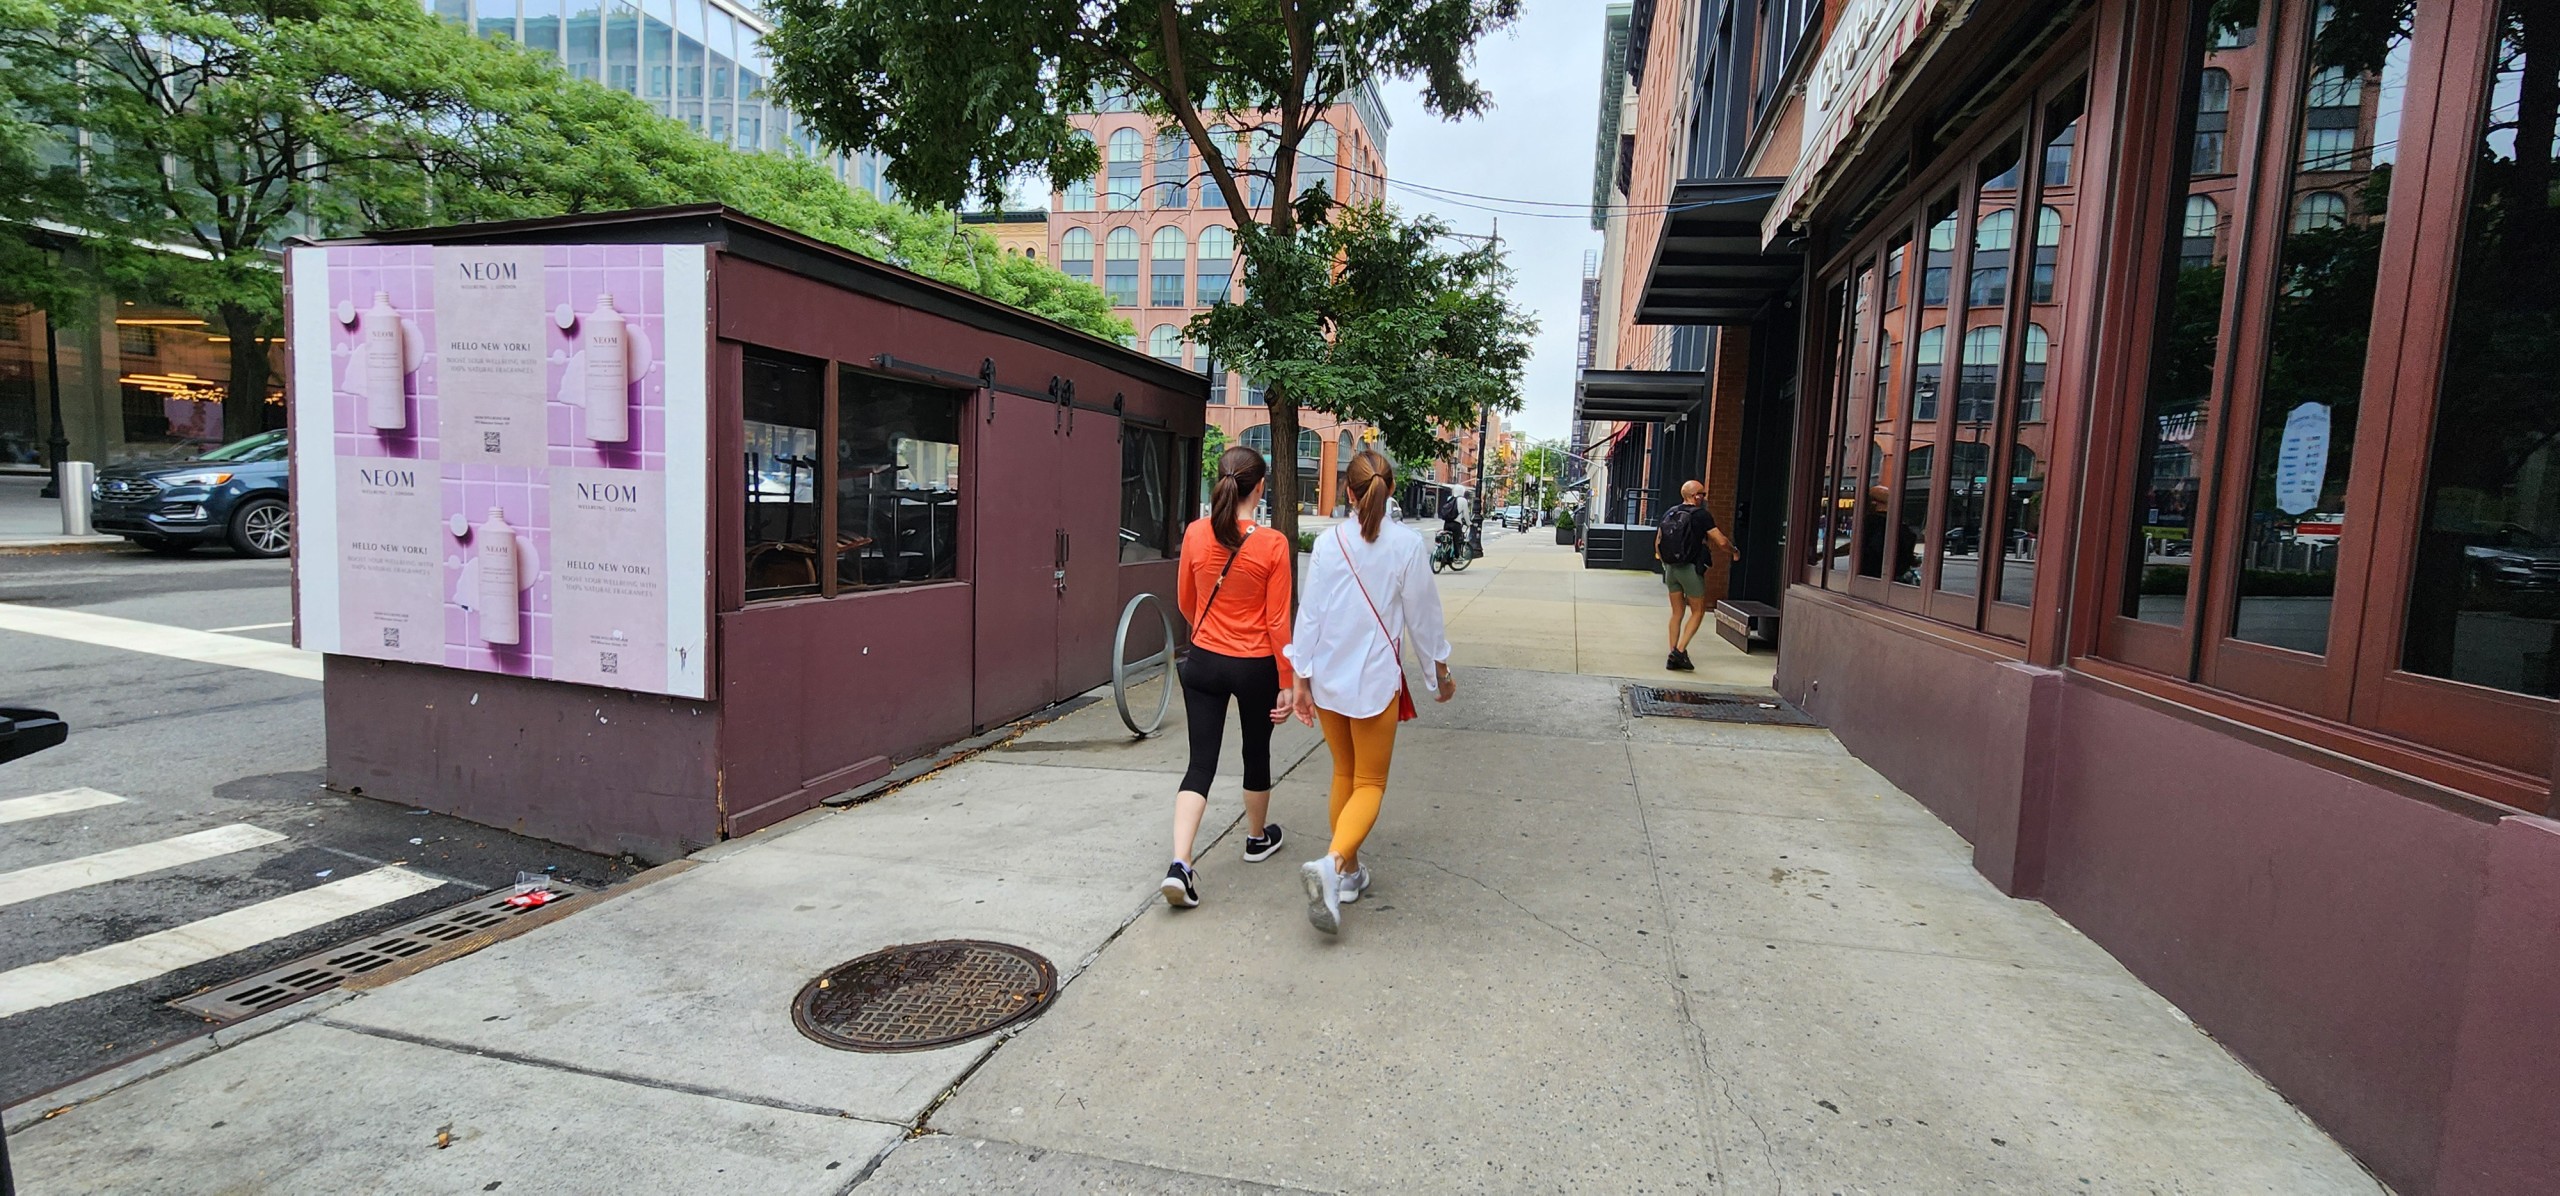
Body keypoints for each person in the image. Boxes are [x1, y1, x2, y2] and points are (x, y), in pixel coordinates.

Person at [1286, 450, 1455, 934]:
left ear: (1348, 491)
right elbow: (1424, 618)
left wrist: (1299, 677)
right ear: (1392, 490)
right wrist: (1438, 673)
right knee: (1371, 783)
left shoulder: (1326, 543)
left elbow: (1311, 615)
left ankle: (1348, 875)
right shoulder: (1406, 546)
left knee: (1344, 772)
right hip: (1374, 678)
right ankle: (1334, 863)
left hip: (1328, 676)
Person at [1161, 445, 1295, 909]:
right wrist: (1288, 679)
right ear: (1260, 486)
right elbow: (1278, 622)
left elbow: (1185, 601)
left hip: (1204, 660)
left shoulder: (1197, 534)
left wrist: (1208, 632)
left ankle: (1181, 864)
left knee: (1201, 763)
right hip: (1255, 664)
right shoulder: (1273, 543)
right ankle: (1256, 838)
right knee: (1255, 752)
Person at [1654, 479, 1736, 672]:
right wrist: (1734, 551)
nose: (1704, 497)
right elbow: (1721, 542)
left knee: (1676, 612)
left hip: (1671, 569)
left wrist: (1665, 563)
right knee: (1698, 611)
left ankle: (1672, 651)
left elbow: (1658, 541)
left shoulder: (1670, 512)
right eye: (1702, 494)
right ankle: (1679, 652)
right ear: (1694, 496)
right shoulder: (1701, 515)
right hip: (1689, 568)